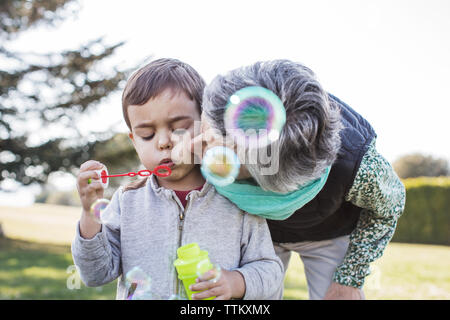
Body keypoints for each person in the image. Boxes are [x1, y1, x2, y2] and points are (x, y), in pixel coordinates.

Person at [191, 59, 406, 300]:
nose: (192, 146)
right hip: (259, 232)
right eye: (203, 131)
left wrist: (349, 278)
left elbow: (390, 205)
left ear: (269, 176)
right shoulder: (224, 119)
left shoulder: (358, 166)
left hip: (328, 232)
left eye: (213, 148)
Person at [71, 58, 284, 300]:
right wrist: (90, 212)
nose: (163, 142)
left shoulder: (237, 200)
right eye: (147, 135)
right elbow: (95, 273)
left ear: (205, 125)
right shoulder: (127, 202)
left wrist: (235, 283)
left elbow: (271, 271)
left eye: (179, 128)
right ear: (134, 140)